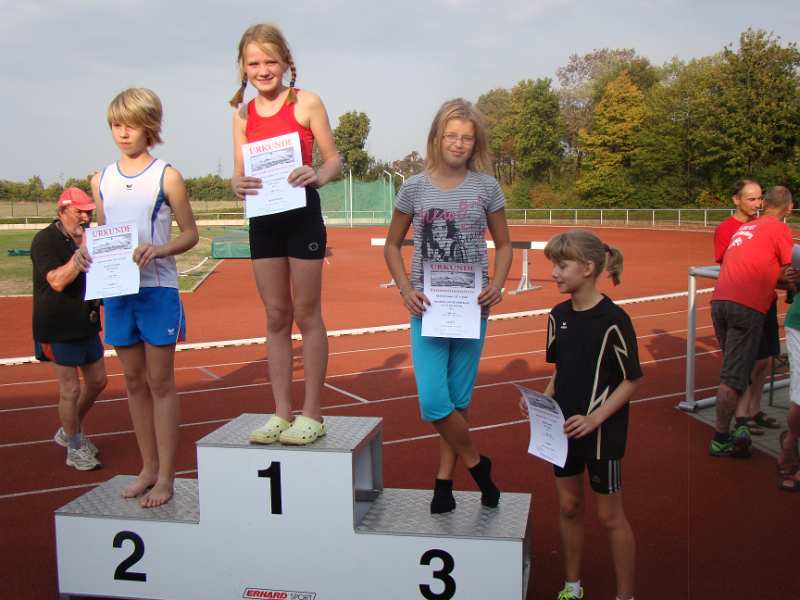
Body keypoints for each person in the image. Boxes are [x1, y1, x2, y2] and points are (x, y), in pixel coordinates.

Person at [384, 98, 512, 513]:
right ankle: (478, 464)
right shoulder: (414, 188)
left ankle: (444, 482)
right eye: (451, 136)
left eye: (467, 138)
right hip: (428, 308)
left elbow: (505, 245)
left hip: (472, 307)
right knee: (434, 402)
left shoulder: (487, 187)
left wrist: (498, 284)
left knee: (458, 400)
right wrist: (405, 289)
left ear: (476, 144)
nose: (458, 143)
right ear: (436, 138)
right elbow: (391, 245)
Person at [230, 23, 341, 446]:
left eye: (270, 61)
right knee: (276, 315)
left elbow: (333, 161)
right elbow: (238, 174)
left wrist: (317, 174)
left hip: (302, 216)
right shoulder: (241, 115)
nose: (263, 70)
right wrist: (236, 184)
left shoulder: (307, 102)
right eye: (254, 63)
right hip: (264, 220)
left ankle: (312, 414)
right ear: (243, 67)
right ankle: (281, 412)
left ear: (285, 63)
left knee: (306, 313)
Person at [91, 88, 198, 507]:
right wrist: (87, 253)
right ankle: (148, 468)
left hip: (156, 289)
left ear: (149, 127)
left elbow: (190, 234)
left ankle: (167, 476)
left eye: (131, 125)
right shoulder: (100, 179)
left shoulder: (167, 176)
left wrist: (160, 249)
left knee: (160, 383)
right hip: (118, 292)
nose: (122, 133)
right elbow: (103, 233)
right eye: (116, 125)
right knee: (133, 383)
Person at [522, 229, 641, 600]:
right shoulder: (558, 316)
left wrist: (594, 419)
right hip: (563, 430)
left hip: (602, 434)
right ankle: (572, 587)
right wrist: (541, 400)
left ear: (588, 268)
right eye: (554, 265)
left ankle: (625, 595)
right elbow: (562, 370)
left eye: (562, 265)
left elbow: (631, 380)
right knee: (569, 506)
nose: (554, 273)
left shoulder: (614, 320)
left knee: (610, 516)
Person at [709, 186, 794, 459]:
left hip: (720, 302)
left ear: (764, 204)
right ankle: (721, 437)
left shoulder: (747, 227)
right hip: (746, 306)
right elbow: (789, 270)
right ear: (789, 208)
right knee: (732, 377)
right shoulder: (779, 229)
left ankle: (742, 424)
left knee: (738, 368)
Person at [31, 187, 107, 471]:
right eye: (80, 212)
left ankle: (68, 430)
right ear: (62, 211)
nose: (86, 217)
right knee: (71, 389)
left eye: (89, 212)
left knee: (98, 381)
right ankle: (75, 447)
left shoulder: (91, 236)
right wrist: (79, 257)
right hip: (57, 325)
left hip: (86, 322)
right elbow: (56, 281)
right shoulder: (45, 240)